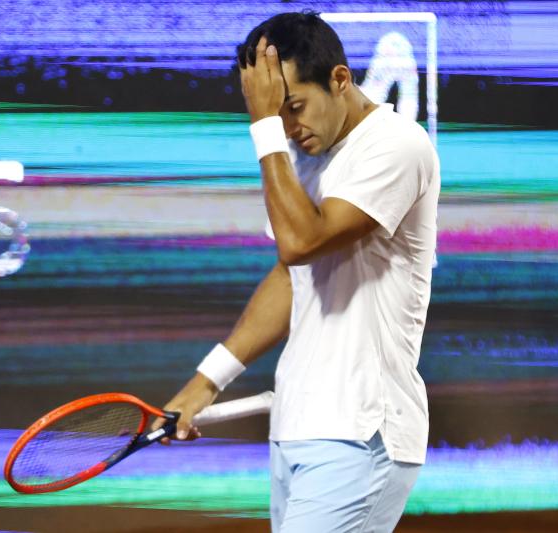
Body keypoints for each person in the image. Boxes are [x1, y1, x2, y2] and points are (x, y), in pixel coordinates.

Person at [156, 11, 439, 533]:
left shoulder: (397, 144)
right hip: (298, 429)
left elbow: (302, 241)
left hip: (363, 434)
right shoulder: (299, 155)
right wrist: (206, 382)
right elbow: (292, 273)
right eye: (275, 115)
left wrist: (263, 127)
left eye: (294, 108)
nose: (288, 127)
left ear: (340, 79)